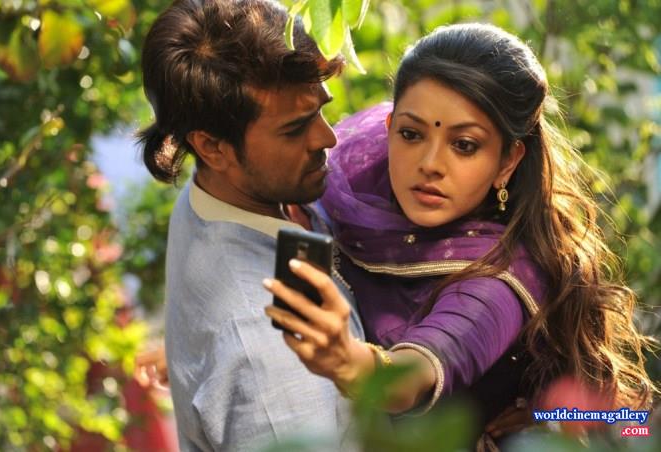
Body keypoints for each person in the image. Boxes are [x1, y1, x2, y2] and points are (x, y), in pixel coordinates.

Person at [264, 23, 656, 444]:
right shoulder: (353, 175)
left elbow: (419, 371)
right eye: (411, 134)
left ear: (507, 161)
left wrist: (350, 360)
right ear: (389, 127)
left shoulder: (499, 280)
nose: (430, 164)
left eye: (464, 145)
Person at [136, 1, 363, 450]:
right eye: (295, 128)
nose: (328, 137)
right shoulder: (267, 352)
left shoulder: (213, 195)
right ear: (212, 147)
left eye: (321, 109)